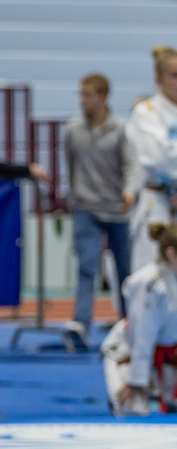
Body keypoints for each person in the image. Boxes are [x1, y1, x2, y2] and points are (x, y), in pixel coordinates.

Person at [64, 73, 141, 351]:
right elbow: (70, 167)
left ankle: (130, 325)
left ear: (103, 96)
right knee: (87, 267)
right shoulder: (73, 131)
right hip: (86, 207)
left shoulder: (121, 130)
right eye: (80, 95)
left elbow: (132, 165)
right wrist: (73, 198)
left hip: (117, 209)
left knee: (124, 272)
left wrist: (130, 191)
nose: (83, 100)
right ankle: (80, 324)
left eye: (88, 95)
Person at [102, 222, 177, 415]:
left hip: (169, 355)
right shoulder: (148, 284)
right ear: (171, 254)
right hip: (130, 352)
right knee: (133, 409)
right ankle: (136, 386)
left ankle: (161, 392)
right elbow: (142, 336)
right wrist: (136, 380)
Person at [127, 46, 177, 274]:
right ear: (158, 79)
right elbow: (158, 159)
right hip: (158, 202)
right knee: (152, 275)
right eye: (174, 75)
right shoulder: (145, 112)